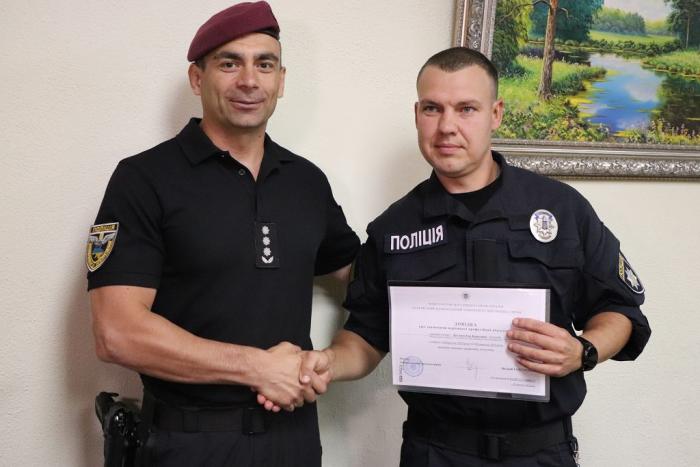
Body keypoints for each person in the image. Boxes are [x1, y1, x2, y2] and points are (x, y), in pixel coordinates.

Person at [294, 47, 651, 466]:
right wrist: (329, 362)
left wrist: (583, 350)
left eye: (466, 109)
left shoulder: (561, 209)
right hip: (434, 452)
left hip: (540, 453)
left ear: (495, 114)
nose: (447, 126)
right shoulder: (393, 229)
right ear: (417, 114)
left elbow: (619, 310)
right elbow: (366, 335)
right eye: (433, 108)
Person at [86, 2, 359, 466]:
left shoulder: (307, 182)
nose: (249, 80)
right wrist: (258, 368)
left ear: (281, 81)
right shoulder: (144, 179)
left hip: (292, 439)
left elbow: (360, 275)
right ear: (197, 78)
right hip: (188, 443)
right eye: (230, 63)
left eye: (264, 65)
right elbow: (117, 332)